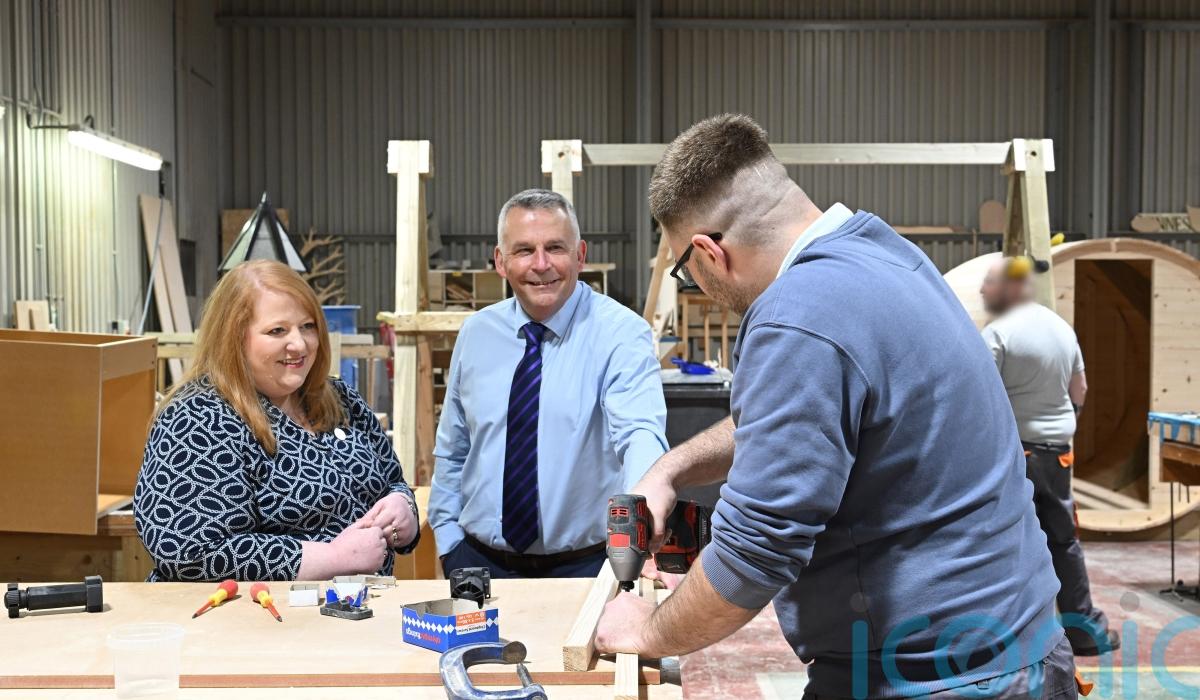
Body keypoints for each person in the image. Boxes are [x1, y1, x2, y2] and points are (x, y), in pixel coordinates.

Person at [594, 115, 1077, 699]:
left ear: (708, 252)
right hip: (1021, 645)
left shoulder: (795, 317)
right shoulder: (886, 254)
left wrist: (645, 630)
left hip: (935, 677)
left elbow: (755, 555)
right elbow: (804, 422)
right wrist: (671, 468)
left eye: (684, 270)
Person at [428, 189, 668, 579]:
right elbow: (454, 449)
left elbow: (639, 433)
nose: (541, 265)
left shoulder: (620, 334)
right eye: (524, 251)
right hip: (476, 563)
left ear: (580, 255)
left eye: (555, 248)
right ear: (500, 262)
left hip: (585, 567)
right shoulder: (477, 334)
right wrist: (449, 543)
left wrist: (643, 508)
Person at [134, 260, 419, 581]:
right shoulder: (198, 418)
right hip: (251, 611)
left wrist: (403, 507)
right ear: (233, 337)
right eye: (277, 331)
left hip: (355, 606)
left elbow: (391, 481)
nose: (299, 344)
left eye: (307, 326)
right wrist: (332, 558)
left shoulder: (339, 399)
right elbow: (189, 552)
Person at [980, 259, 1119, 656]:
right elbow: (1080, 389)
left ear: (1011, 288)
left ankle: (1006, 635)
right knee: (1063, 539)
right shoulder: (1062, 329)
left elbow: (982, 394)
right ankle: (1084, 631)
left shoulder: (998, 333)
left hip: (1015, 454)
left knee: (1006, 540)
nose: (983, 291)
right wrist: (1062, 425)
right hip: (1058, 454)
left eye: (990, 284)